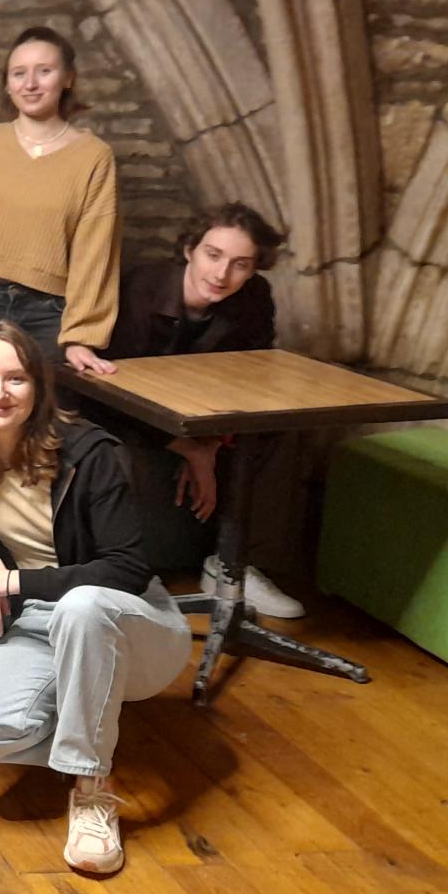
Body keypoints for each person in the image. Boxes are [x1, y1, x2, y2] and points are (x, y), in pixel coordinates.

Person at [0, 321, 190, 876]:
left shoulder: (89, 452)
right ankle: (97, 724)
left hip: (133, 623)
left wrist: (8, 583)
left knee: (83, 605)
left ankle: (91, 784)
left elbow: (126, 569)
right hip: (42, 621)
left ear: (39, 387)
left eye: (15, 378)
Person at [104, 201, 303, 618]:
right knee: (110, 447)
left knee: (282, 431)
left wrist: (209, 445)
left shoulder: (254, 298)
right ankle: (125, 574)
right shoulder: (141, 290)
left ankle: (235, 566)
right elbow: (109, 393)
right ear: (189, 250)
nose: (221, 274)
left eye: (240, 264)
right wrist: (185, 447)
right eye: (213, 255)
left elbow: (251, 380)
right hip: (132, 416)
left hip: (206, 421)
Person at [0, 27, 119, 375]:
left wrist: (81, 335)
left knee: (45, 408)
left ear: (68, 78)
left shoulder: (93, 156)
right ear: (7, 84)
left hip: (49, 315)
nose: (30, 84)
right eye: (19, 73)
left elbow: (95, 250)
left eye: (44, 71)